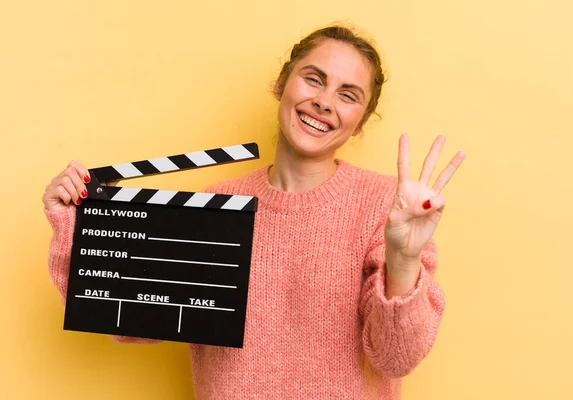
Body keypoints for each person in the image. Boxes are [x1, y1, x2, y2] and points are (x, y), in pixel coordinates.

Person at [42, 25, 465, 399]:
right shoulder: (216, 208)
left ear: (362, 120)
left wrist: (404, 260)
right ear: (282, 82)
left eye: (348, 94)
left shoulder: (385, 207)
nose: (323, 102)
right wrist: (72, 224)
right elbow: (128, 321)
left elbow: (396, 358)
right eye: (313, 79)